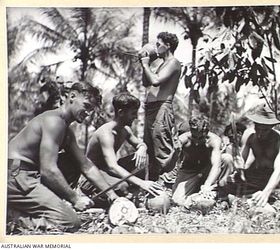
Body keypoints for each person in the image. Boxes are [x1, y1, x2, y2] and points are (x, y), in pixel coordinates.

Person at [7, 82, 119, 231]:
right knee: (70, 222)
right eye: (86, 106)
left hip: (24, 175)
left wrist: (113, 195)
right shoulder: (55, 121)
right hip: (16, 176)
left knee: (73, 163)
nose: (89, 113)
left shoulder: (66, 131)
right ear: (72, 96)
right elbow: (48, 170)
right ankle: (10, 217)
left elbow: (85, 165)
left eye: (92, 109)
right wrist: (75, 198)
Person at [79, 93, 163, 207]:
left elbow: (141, 144)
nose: (136, 117)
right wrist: (141, 183)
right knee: (122, 186)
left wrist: (142, 148)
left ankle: (130, 193)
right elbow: (112, 166)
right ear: (121, 112)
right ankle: (93, 197)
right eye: (133, 113)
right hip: (91, 176)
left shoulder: (125, 130)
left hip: (107, 171)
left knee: (145, 158)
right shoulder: (106, 134)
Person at [218, 105, 280, 207]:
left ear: (271, 127)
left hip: (276, 178)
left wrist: (266, 192)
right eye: (257, 128)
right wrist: (239, 167)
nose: (260, 133)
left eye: (264, 130)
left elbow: (279, 170)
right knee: (226, 184)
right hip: (257, 177)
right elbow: (242, 163)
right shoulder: (250, 136)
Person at [139, 31, 182, 181]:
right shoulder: (162, 64)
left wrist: (145, 64)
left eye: (159, 44)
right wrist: (146, 64)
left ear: (168, 45)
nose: (156, 48)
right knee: (150, 151)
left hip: (161, 108)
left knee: (162, 150)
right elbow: (146, 82)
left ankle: (167, 186)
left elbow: (156, 81)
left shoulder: (174, 63)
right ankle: (152, 186)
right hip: (151, 110)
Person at [171, 115, 233, 206]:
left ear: (206, 132)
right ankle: (198, 194)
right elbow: (170, 161)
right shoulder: (183, 139)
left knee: (227, 158)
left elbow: (216, 166)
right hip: (190, 171)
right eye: (194, 137)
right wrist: (175, 151)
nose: (196, 141)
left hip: (208, 169)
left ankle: (221, 192)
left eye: (200, 138)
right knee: (177, 201)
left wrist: (207, 185)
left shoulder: (214, 140)